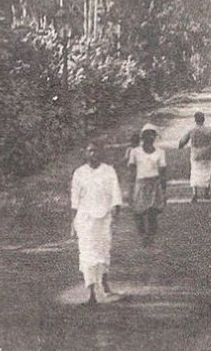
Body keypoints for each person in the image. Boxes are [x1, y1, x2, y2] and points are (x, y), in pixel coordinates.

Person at [70, 142, 122, 306]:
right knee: (87, 254)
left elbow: (115, 192)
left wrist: (115, 208)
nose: (93, 153)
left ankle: (105, 284)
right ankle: (91, 293)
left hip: (103, 218)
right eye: (90, 150)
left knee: (103, 251)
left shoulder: (108, 171)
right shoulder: (79, 173)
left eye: (96, 150)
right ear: (85, 153)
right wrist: (72, 222)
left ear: (101, 153)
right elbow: (74, 200)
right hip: (85, 220)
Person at [128, 123, 167, 243]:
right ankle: (142, 234)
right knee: (138, 212)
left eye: (152, 135)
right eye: (146, 135)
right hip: (140, 184)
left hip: (154, 183)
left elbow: (163, 172)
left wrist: (164, 191)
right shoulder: (135, 152)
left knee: (153, 212)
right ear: (142, 137)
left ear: (155, 138)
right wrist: (130, 190)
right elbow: (132, 171)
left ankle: (149, 236)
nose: (149, 138)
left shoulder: (160, 152)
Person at [178, 111, 211, 202]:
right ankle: (206, 192)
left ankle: (195, 194)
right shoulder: (210, 130)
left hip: (195, 154)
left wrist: (180, 146)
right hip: (207, 154)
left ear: (195, 120)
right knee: (207, 173)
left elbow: (183, 140)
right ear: (204, 119)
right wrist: (210, 150)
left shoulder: (192, 131)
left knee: (195, 173)